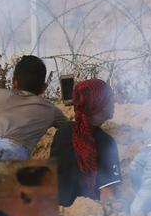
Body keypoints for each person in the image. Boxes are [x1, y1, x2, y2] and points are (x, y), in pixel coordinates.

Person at [0, 55, 65, 161]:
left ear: (14, 82)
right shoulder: (49, 109)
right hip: (11, 152)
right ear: (43, 88)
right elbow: (69, 127)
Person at [48, 79, 121, 207]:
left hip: (58, 212)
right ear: (102, 105)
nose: (114, 103)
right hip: (88, 214)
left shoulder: (63, 132)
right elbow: (107, 194)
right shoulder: (106, 143)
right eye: (110, 98)